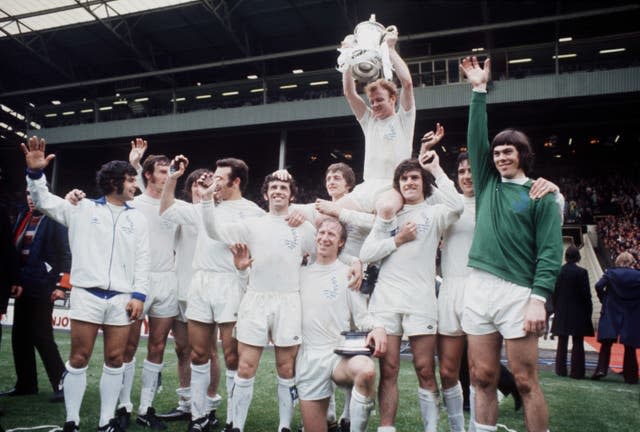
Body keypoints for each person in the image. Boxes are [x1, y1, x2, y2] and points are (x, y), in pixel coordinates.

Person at [460, 56, 563, 432]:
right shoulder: (487, 185)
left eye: (509, 151)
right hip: (479, 288)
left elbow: (551, 253)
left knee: (524, 381)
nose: (501, 156)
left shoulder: (541, 195)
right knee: (482, 376)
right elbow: (476, 136)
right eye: (497, 152)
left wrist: (539, 297)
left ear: (522, 155)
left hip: (519, 293)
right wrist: (478, 91)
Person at [21, 135, 150, 432]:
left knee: (115, 359)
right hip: (86, 295)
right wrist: (36, 173)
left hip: (121, 298)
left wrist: (139, 295)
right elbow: (42, 200)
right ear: (114, 182)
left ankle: (106, 421)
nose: (135, 185)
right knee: (79, 358)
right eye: (131, 180)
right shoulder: (82, 209)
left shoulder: (138, 219)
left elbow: (144, 260)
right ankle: (72, 420)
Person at [200, 172, 318, 432]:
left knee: (286, 369)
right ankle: (236, 426)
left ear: (292, 195)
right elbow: (213, 231)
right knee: (245, 366)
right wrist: (207, 199)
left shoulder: (304, 227)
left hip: (289, 301)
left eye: (283, 188)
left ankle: (284, 426)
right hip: (255, 300)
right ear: (265, 194)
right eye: (273, 187)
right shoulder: (252, 224)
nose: (278, 191)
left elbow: (321, 257)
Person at [160, 156, 266, 431]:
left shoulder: (252, 212)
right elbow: (168, 209)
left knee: (232, 355)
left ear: (236, 181)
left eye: (220, 178)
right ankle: (199, 416)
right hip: (201, 282)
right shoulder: (204, 206)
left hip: (231, 283)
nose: (213, 182)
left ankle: (232, 419)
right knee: (198, 353)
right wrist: (173, 177)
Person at [359, 154, 464, 432]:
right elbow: (366, 253)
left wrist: (435, 170)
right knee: (389, 369)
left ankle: (432, 428)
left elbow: (457, 205)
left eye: (414, 177)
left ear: (423, 182)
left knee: (425, 369)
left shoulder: (434, 212)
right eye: (404, 178)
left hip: (421, 301)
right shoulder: (388, 216)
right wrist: (397, 239)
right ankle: (386, 427)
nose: (409, 182)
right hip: (386, 301)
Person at [296, 218, 386, 432]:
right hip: (308, 357)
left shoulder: (348, 274)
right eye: (322, 233)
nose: (325, 238)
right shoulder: (300, 273)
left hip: (338, 354)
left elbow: (362, 316)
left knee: (366, 371)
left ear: (341, 243)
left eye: (332, 235)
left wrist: (378, 327)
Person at [114, 144, 180, 430]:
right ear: (149, 176)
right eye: (163, 172)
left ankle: (146, 408)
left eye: (170, 171)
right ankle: (123, 405)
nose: (169, 175)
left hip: (168, 279)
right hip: (138, 281)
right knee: (127, 346)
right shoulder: (134, 206)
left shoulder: (177, 206)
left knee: (158, 345)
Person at [157, 166, 223, 425]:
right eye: (194, 184)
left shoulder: (219, 213)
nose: (198, 188)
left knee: (208, 352)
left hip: (207, 292)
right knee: (182, 349)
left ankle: (209, 404)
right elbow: (161, 203)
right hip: (180, 290)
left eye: (203, 183)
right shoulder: (184, 211)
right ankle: (186, 404)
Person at [335, 26, 415, 217]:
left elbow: (407, 83)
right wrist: (347, 55)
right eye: (372, 101)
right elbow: (349, 93)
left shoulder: (404, 119)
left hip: (392, 186)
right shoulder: (369, 120)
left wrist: (390, 49)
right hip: (367, 186)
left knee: (385, 211)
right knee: (327, 214)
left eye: (380, 100)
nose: (375, 105)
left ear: (393, 99)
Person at [2, 188, 70, 401]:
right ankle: (26, 384)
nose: (30, 199)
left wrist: (62, 286)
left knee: (42, 336)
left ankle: (62, 385)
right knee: (19, 337)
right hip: (23, 284)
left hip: (43, 286)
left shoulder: (55, 220)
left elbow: (66, 254)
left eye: (34, 194)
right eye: (27, 194)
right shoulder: (23, 216)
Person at [592, 251, 640, 384]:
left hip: (612, 309)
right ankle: (631, 376)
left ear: (618, 261)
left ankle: (601, 369)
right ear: (631, 262)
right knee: (629, 346)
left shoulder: (611, 273)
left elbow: (598, 286)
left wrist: (604, 299)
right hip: (631, 312)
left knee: (606, 343)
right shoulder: (638, 275)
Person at [551, 245, 594, 379]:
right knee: (578, 342)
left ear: (566, 257)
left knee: (562, 342)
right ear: (578, 257)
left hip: (562, 310)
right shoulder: (582, 272)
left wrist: (556, 308)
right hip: (578, 311)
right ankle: (577, 372)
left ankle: (560, 370)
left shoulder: (559, 271)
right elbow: (586, 295)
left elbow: (554, 293)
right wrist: (589, 310)